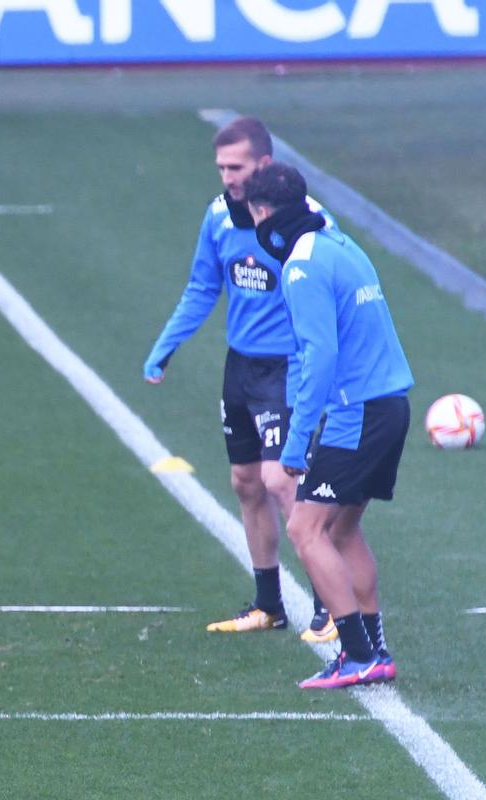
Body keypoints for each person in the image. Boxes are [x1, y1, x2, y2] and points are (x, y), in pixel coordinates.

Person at [145, 116, 334, 643]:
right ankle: (269, 605)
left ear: (264, 165)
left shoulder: (309, 221)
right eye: (222, 167)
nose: (227, 177)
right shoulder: (218, 218)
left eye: (237, 167)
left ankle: (328, 604)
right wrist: (165, 346)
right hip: (242, 368)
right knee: (246, 483)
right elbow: (203, 286)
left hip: (287, 368)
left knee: (283, 481)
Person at [245, 163, 414, 690]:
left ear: (261, 213)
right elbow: (314, 211)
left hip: (354, 413)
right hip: (389, 406)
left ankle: (358, 654)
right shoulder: (337, 242)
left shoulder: (301, 268)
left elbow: (320, 356)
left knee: (305, 528)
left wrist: (295, 445)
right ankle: (376, 652)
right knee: (341, 530)